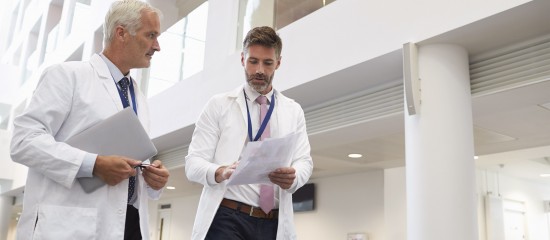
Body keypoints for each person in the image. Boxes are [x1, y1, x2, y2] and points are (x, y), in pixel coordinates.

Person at [10, 1, 169, 239]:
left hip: (129, 224)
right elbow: (24, 141)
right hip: (73, 225)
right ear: (121, 33)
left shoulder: (139, 97)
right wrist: (93, 164)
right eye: (151, 35)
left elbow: (129, 165)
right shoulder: (67, 76)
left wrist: (153, 180)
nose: (157, 46)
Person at [185, 26, 313, 240]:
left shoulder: (293, 110)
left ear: (278, 63)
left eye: (268, 63)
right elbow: (193, 164)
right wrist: (220, 171)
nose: (259, 70)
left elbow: (304, 161)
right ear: (243, 59)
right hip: (227, 218)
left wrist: (294, 176)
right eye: (253, 61)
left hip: (273, 222)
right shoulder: (219, 105)